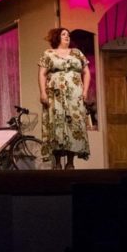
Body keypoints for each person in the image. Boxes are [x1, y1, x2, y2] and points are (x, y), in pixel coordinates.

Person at [38, 27, 90, 170]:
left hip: (74, 96)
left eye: (68, 35)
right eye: (63, 34)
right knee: (56, 125)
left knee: (74, 125)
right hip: (55, 95)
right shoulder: (48, 54)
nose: (67, 37)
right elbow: (42, 73)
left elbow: (86, 72)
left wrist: (85, 91)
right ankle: (58, 162)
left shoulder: (77, 53)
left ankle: (71, 162)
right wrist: (42, 92)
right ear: (57, 37)